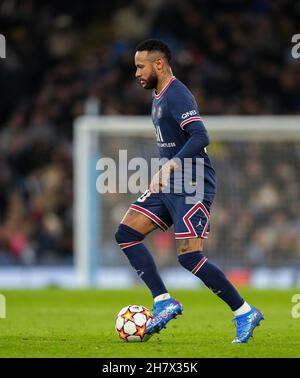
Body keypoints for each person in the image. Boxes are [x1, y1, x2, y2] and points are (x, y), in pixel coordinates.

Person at [115, 39, 263, 343]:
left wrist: (170, 166)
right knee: (126, 234)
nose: (136, 73)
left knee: (188, 255)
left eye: (140, 66)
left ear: (159, 64)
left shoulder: (177, 95)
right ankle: (163, 301)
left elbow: (200, 136)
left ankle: (244, 311)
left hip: (193, 181)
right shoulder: (158, 96)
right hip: (171, 183)